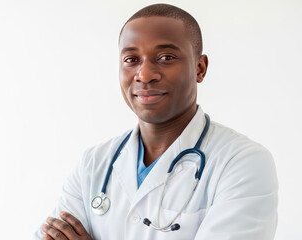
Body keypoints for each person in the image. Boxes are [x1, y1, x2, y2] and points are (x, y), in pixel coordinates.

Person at [34, 3, 278, 240]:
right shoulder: (94, 164)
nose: (145, 74)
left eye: (166, 57)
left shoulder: (243, 163)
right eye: (131, 59)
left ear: (199, 68)